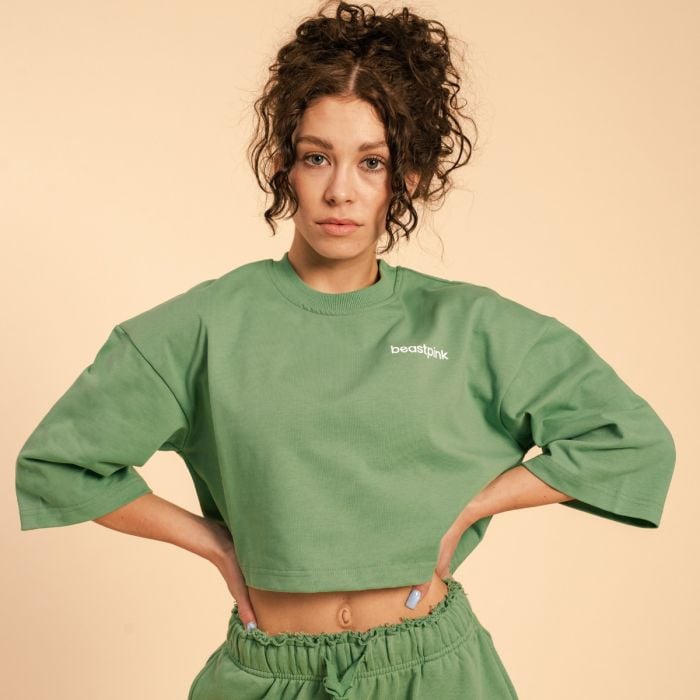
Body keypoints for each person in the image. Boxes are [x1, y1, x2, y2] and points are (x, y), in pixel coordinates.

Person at [15, 2, 676, 698]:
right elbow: (61, 464)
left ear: (408, 177)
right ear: (284, 165)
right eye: (317, 158)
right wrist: (215, 543)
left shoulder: (472, 326)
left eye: (372, 163)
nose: (340, 191)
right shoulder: (205, 326)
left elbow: (629, 442)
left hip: (437, 671)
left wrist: (471, 508)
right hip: (270, 673)